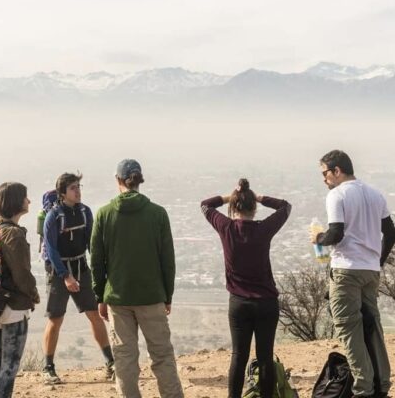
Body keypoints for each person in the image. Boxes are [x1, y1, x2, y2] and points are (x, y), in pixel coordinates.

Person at [90, 159, 183, 398]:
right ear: (139, 180)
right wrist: (167, 295)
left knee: (124, 360)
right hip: (152, 297)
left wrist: (100, 296)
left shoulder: (103, 214)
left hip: (118, 299)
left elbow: (96, 262)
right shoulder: (158, 214)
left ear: (118, 180)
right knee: (162, 356)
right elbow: (167, 261)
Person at [311, 150, 395, 398]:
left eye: (325, 173)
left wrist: (318, 238)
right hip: (370, 271)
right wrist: (376, 262)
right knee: (373, 327)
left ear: (337, 171)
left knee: (350, 330)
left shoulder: (337, 195)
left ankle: (363, 390)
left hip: (346, 270)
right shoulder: (375, 194)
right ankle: (381, 385)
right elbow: (390, 233)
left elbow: (336, 233)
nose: (324, 179)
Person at [201, 178, 291, 398]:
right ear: (255, 207)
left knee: (238, 357)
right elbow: (285, 207)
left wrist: (228, 197)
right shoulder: (264, 229)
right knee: (265, 356)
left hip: (239, 303)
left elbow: (205, 205)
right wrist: (258, 196)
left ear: (234, 207)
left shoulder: (226, 227)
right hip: (266, 302)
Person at [41, 172, 114, 384]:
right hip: (59, 272)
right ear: (62, 193)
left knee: (94, 314)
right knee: (56, 319)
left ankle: (110, 362)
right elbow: (52, 249)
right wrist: (65, 276)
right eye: (73, 188)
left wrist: (101, 271)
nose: (78, 191)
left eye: (79, 186)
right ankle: (48, 367)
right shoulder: (53, 216)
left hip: (81, 268)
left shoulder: (85, 212)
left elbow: (92, 243)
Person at [0, 182, 40, 397]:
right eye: (25, 197)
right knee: (9, 366)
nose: (29, 201)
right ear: (17, 202)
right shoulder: (14, 234)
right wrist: (33, 295)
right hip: (13, 307)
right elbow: (22, 275)